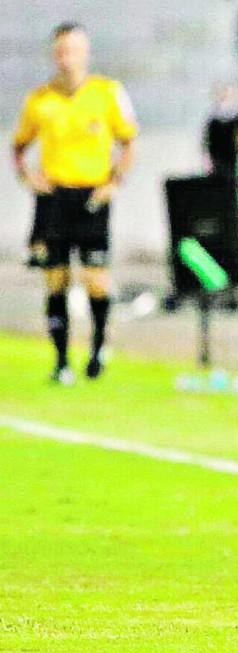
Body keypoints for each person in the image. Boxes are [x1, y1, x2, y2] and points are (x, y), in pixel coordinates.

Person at [11, 22, 137, 383]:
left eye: (74, 51)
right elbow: (19, 147)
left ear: (86, 53)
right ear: (55, 55)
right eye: (61, 52)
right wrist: (27, 177)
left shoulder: (106, 93)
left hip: (92, 196)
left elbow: (129, 141)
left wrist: (115, 182)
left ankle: (97, 349)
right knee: (56, 279)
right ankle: (61, 361)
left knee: (96, 279)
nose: (67, 59)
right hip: (54, 197)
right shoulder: (40, 100)